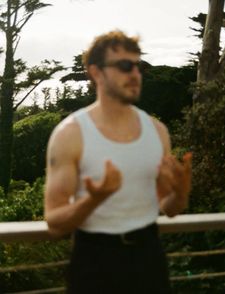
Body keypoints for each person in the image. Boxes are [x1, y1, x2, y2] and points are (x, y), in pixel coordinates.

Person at [44, 30, 192, 294]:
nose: (135, 74)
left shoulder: (158, 131)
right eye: (125, 66)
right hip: (94, 261)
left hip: (149, 256)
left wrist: (180, 192)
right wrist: (95, 199)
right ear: (96, 72)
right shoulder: (70, 134)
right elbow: (55, 222)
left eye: (138, 65)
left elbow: (168, 208)